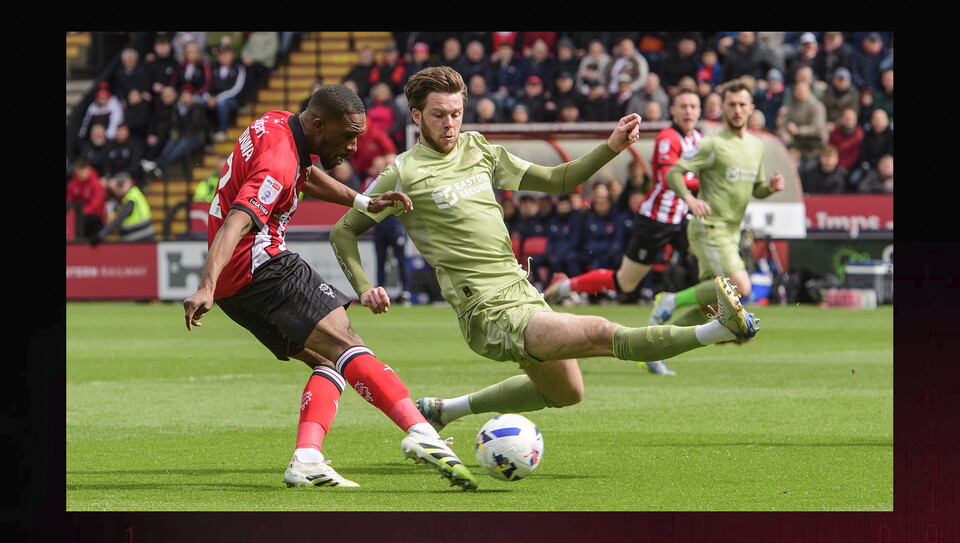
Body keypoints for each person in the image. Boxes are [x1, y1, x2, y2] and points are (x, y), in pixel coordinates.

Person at [328, 66, 761, 439]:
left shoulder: (479, 148)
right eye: (439, 115)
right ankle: (717, 330)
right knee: (600, 332)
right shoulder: (404, 171)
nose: (450, 123)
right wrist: (365, 288)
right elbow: (344, 231)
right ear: (417, 115)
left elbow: (557, 179)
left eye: (457, 113)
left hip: (521, 291)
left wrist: (611, 147)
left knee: (567, 393)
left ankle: (443, 411)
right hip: (485, 310)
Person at [181, 83, 479, 490]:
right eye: (349, 135)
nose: (354, 148)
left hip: (238, 289)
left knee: (328, 361)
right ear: (319, 125)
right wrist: (205, 286)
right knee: (347, 343)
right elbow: (238, 219)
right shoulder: (279, 162)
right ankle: (421, 432)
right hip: (262, 266)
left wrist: (362, 202)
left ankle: (307, 459)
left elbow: (304, 176)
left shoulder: (275, 124)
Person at [544, 89, 704, 375]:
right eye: (684, 106)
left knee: (707, 270)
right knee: (625, 283)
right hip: (655, 221)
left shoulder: (699, 139)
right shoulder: (668, 138)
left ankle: (665, 334)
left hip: (682, 219)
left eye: (694, 105)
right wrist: (695, 192)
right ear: (674, 111)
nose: (689, 111)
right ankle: (564, 288)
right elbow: (669, 176)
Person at [647, 80, 783, 370]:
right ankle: (669, 300)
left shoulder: (756, 146)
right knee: (740, 286)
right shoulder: (713, 144)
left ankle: (654, 349)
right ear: (722, 108)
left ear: (751, 109)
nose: (737, 110)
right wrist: (688, 198)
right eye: (731, 104)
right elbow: (673, 172)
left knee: (708, 308)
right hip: (709, 228)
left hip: (731, 233)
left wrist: (769, 188)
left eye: (742, 104)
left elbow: (756, 188)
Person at [140, 85, 207, 178]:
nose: (185, 98)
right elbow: (177, 125)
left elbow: (200, 124)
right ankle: (158, 166)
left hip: (196, 137)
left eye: (187, 95)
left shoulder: (197, 108)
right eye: (183, 96)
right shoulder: (178, 108)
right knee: (171, 142)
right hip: (181, 136)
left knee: (182, 144)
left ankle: (156, 164)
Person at [776, 80, 827, 173]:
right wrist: (783, 134)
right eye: (797, 90)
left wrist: (798, 130)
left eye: (801, 90)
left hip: (813, 149)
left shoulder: (817, 107)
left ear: (809, 91)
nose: (799, 92)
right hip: (796, 148)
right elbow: (783, 126)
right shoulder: (791, 107)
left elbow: (817, 128)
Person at [92, 172, 156, 244]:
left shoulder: (131, 199)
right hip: (142, 238)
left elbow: (118, 219)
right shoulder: (134, 193)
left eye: (122, 185)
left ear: (129, 183)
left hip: (140, 239)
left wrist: (101, 235)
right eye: (118, 186)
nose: (119, 189)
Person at [206, 45, 247, 142]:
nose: (224, 57)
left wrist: (218, 98)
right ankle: (206, 133)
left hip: (233, 99)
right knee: (199, 101)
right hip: (212, 97)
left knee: (222, 103)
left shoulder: (238, 68)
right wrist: (209, 97)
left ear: (232, 55)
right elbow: (205, 84)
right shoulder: (212, 67)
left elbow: (236, 89)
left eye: (226, 54)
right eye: (221, 55)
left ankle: (222, 131)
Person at [66, 157, 107, 241]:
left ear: (89, 169)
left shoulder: (96, 185)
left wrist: (80, 214)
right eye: (79, 170)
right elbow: (69, 204)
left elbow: (95, 205)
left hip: (95, 219)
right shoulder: (72, 185)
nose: (81, 173)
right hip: (78, 218)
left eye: (84, 170)